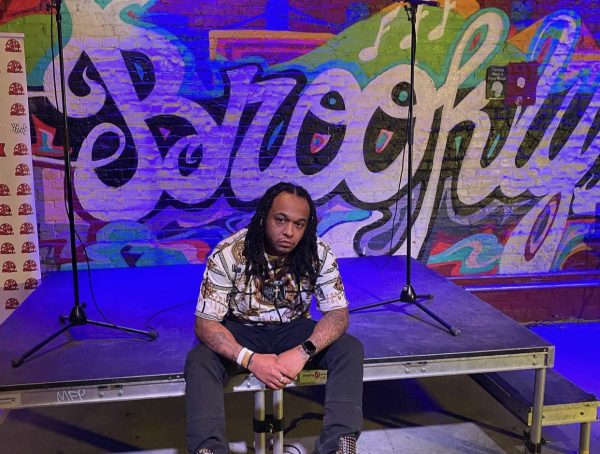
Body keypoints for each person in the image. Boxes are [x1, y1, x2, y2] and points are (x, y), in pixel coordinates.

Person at [185, 182, 364, 454]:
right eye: (280, 220)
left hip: (294, 329)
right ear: (263, 217)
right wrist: (251, 360)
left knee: (349, 348)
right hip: (242, 329)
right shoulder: (228, 253)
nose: (289, 232)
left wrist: (304, 351)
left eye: (299, 224)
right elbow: (205, 323)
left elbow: (338, 313)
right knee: (200, 360)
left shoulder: (318, 253)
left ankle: (339, 445)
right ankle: (209, 449)